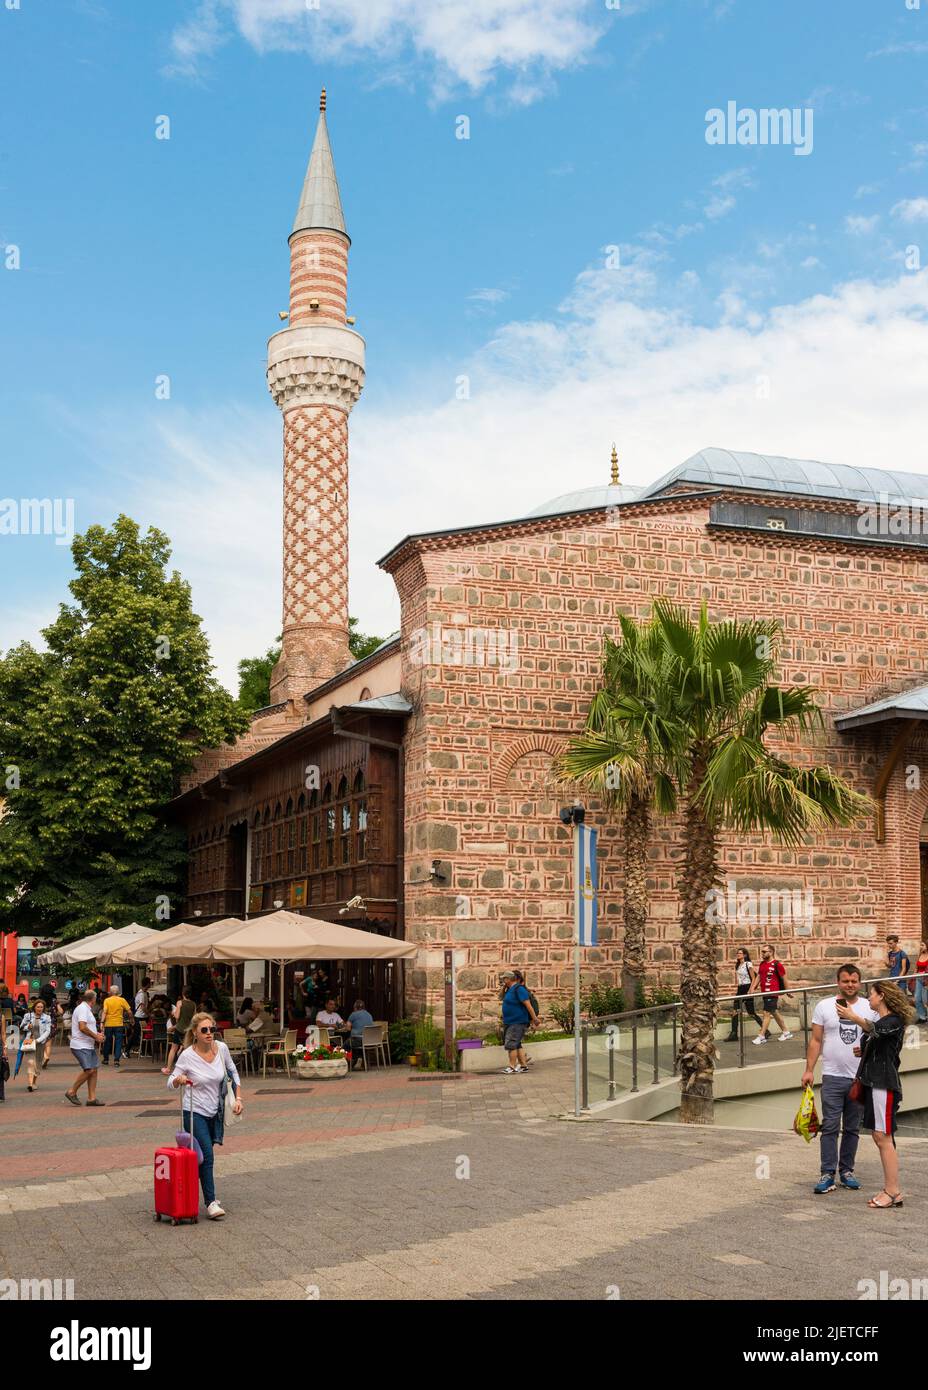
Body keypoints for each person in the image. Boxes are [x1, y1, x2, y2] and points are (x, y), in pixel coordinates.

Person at [801, 965, 879, 1195]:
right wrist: (808, 1070)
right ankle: (827, 1173)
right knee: (831, 1127)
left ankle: (847, 1172)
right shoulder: (824, 1006)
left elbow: (878, 1035)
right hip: (832, 1076)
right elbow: (816, 1040)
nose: (850, 985)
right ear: (838, 982)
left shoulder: (869, 1007)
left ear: (859, 982)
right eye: (845, 981)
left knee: (853, 1128)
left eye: (854, 981)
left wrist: (865, 1050)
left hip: (859, 1077)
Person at [840, 979, 914, 1208]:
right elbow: (878, 1040)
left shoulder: (892, 1020)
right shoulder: (880, 1021)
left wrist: (853, 1017)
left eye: (871, 994)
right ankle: (893, 1191)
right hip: (873, 1082)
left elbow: (878, 1031)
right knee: (879, 1135)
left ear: (881, 995)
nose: (868, 997)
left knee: (883, 1136)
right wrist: (863, 1049)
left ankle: (892, 1191)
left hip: (883, 1083)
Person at [167, 1012, 243, 1220]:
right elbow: (170, 1081)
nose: (209, 1033)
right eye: (204, 1030)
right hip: (194, 1112)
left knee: (203, 1158)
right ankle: (210, 1202)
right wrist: (178, 1079)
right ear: (195, 1033)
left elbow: (233, 1072)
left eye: (212, 1029)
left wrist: (238, 1098)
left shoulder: (222, 1049)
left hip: (215, 1112)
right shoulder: (187, 1055)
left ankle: (195, 1193)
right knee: (207, 1156)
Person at [65, 989, 105, 1107]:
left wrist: (97, 1034)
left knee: (94, 1070)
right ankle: (72, 1091)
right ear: (93, 999)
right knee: (89, 1070)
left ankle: (91, 1098)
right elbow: (82, 1027)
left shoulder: (86, 1009)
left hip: (87, 1044)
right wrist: (96, 1036)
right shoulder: (83, 1009)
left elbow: (87, 1026)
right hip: (80, 1045)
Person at [751, 944, 793, 1044]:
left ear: (771, 952)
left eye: (764, 952)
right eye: (762, 952)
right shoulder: (762, 964)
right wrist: (753, 987)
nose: (762, 954)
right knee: (774, 1012)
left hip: (773, 992)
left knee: (766, 1013)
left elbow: (784, 978)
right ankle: (786, 1032)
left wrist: (787, 991)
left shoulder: (777, 964)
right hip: (764, 992)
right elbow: (759, 976)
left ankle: (761, 1036)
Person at [500, 968, 539, 1075]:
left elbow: (528, 1005)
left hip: (517, 1022)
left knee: (511, 1044)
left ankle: (512, 1067)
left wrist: (534, 1019)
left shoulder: (519, 989)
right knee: (517, 1044)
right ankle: (523, 1066)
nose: (503, 980)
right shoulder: (510, 989)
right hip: (510, 1021)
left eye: (504, 978)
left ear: (509, 979)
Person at [725, 948, 760, 1041]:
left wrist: (751, 989)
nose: (738, 954)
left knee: (751, 1012)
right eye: (737, 953)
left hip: (747, 988)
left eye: (740, 953)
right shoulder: (738, 965)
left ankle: (766, 1031)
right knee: (735, 1011)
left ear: (745, 955)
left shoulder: (748, 964)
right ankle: (734, 1034)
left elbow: (753, 978)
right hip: (740, 988)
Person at [18, 999, 52, 1092]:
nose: (39, 1009)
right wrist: (27, 1027)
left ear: (43, 1008)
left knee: (37, 1063)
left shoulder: (47, 1017)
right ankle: (29, 1084)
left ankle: (34, 1082)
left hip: (40, 1043)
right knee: (30, 1062)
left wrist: (38, 1040)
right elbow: (21, 1027)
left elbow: (48, 1031)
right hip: (29, 1041)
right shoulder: (27, 1016)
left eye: (41, 1007)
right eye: (38, 1007)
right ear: (34, 1007)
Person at [162, 988, 196, 1075]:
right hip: (189, 1030)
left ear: (182, 993)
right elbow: (194, 1018)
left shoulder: (180, 1002)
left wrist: (176, 1012)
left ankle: (168, 1069)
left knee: (173, 1049)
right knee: (189, 1049)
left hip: (179, 1029)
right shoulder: (193, 1004)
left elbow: (177, 1016)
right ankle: (190, 1069)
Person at [100, 983, 133, 1067]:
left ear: (110, 992)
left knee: (107, 1041)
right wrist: (132, 1019)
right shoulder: (122, 1000)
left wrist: (102, 1022)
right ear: (118, 992)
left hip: (108, 1024)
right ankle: (116, 1061)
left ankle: (106, 1059)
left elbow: (104, 1012)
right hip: (119, 1024)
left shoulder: (107, 1000)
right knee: (118, 1042)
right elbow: (129, 1011)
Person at [347, 998, 374, 1069]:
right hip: (370, 1040)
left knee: (346, 1044)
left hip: (359, 1040)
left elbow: (348, 1028)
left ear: (355, 1007)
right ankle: (359, 1059)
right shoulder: (369, 1014)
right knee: (356, 1043)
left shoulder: (353, 1014)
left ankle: (348, 1063)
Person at [913, 940, 928, 1024]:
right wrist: (914, 974)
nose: (920, 947)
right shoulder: (920, 954)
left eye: (922, 945)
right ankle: (922, 1016)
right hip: (918, 978)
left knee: (925, 999)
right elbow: (916, 967)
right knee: (917, 998)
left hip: (926, 980)